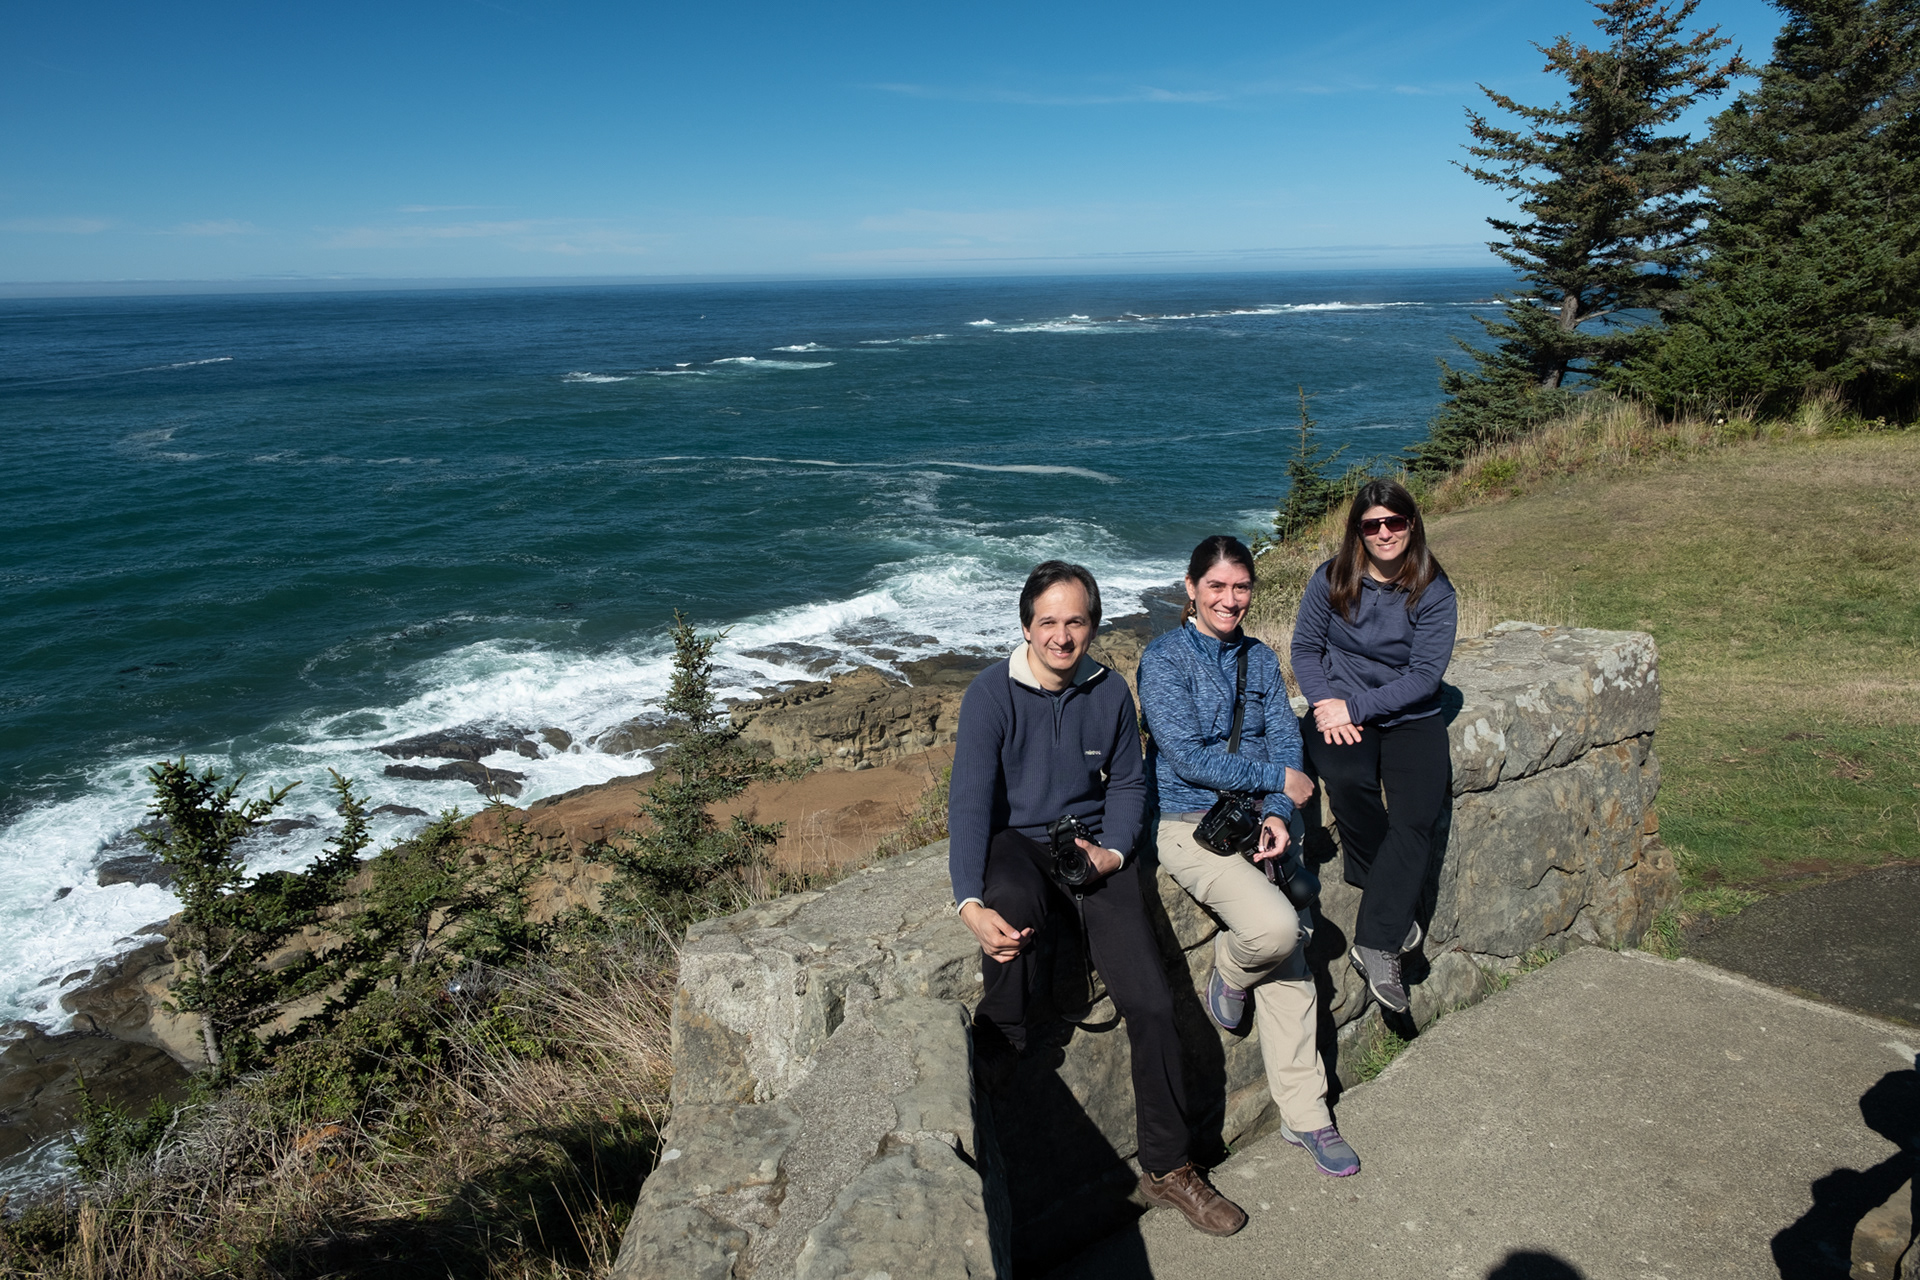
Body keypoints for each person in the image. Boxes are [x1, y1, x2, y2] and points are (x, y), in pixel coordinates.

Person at [948, 560, 1248, 1237]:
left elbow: (1128, 786)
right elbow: (968, 803)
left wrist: (1113, 851)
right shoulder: (991, 695)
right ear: (1026, 626)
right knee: (1013, 907)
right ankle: (1002, 1042)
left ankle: (1168, 1168)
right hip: (1016, 844)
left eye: (1075, 621)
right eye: (1048, 622)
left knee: (1150, 1001)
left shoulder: (1110, 692)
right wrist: (968, 902)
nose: (1061, 636)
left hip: (1088, 849)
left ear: (1093, 625)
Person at [1138, 535, 1361, 1179]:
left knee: (1291, 957)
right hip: (1188, 824)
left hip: (1254, 819)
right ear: (1190, 588)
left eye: (1241, 588)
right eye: (1216, 587)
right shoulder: (1164, 660)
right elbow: (1185, 758)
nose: (1230, 600)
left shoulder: (1260, 659)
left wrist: (1276, 811)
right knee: (1273, 929)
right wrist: (1276, 780)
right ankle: (1231, 971)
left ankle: (1307, 1114)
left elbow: (1286, 742)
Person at [1291, 479, 1457, 1016]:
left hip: (1408, 716)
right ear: (1357, 532)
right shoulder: (1333, 578)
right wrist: (1325, 703)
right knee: (1345, 778)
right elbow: (1305, 649)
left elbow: (1426, 676)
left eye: (1395, 522)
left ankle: (1376, 940)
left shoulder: (1433, 589)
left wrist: (1357, 709)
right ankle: (1380, 886)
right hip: (1338, 707)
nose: (1384, 533)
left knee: (1416, 816)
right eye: (1372, 525)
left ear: (1412, 525)